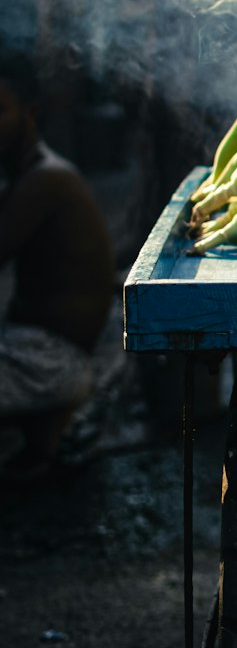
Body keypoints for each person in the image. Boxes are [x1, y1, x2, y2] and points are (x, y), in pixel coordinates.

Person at [0, 50, 116, 477]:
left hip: (52, 362)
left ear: (29, 112)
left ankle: (49, 425)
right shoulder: (29, 173)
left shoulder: (46, 179)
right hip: (42, 350)